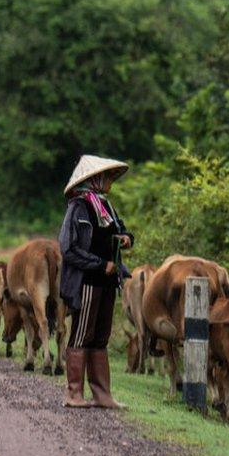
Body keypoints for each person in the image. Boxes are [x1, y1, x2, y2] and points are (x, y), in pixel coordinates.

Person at [58, 155, 133, 409]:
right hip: (87, 281)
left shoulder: (106, 206)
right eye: (107, 177)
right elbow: (68, 248)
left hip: (108, 282)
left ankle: (102, 395)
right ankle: (73, 394)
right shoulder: (77, 207)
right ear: (95, 179)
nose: (110, 181)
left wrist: (126, 238)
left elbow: (121, 229)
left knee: (100, 337)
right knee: (81, 334)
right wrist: (101, 265)